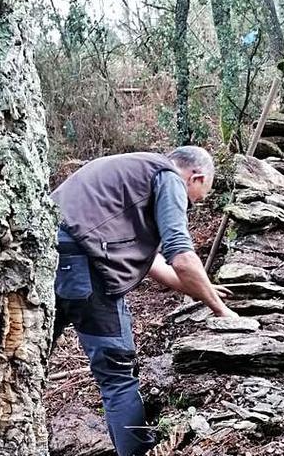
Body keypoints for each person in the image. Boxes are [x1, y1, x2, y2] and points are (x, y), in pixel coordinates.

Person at [51, 146, 237, 456]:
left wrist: (206, 291)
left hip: (46, 259)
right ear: (196, 177)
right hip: (86, 268)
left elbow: (156, 264)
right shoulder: (168, 178)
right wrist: (221, 309)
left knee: (26, 362)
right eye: (196, 199)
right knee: (118, 377)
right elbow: (181, 256)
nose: (193, 205)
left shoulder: (132, 175)